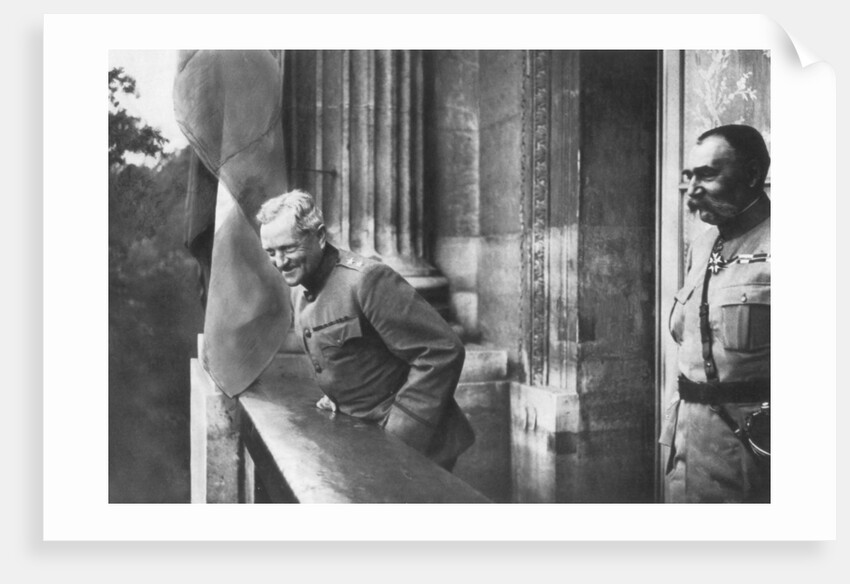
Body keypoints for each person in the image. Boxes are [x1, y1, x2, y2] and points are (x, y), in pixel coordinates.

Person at [257, 190, 475, 471]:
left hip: (418, 444)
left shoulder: (367, 280)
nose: (279, 262)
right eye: (270, 252)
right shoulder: (299, 289)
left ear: (319, 236)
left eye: (288, 248)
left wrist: (397, 436)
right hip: (363, 439)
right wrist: (340, 395)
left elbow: (441, 352)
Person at [660, 124, 771, 503]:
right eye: (690, 176)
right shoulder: (703, 244)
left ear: (752, 175)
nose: (692, 189)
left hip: (751, 459)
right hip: (687, 450)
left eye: (707, 174)